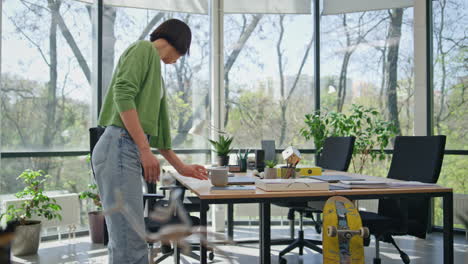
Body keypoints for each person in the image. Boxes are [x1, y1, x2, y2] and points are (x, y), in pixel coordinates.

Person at [92, 19, 208, 264]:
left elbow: (161, 135)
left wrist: (182, 168)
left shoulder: (157, 78)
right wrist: (144, 150)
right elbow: (122, 93)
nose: (179, 59)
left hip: (125, 147)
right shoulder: (143, 50)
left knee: (126, 238)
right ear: (180, 43)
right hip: (119, 144)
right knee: (130, 239)